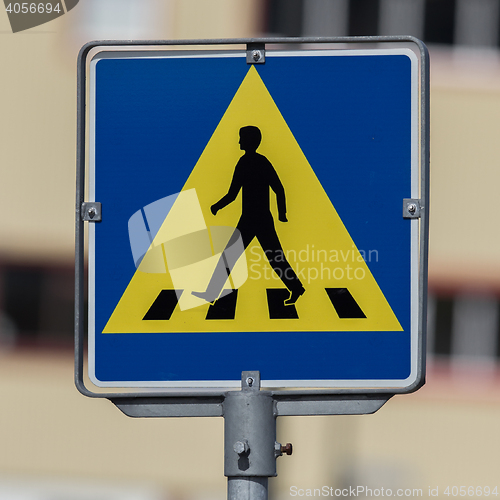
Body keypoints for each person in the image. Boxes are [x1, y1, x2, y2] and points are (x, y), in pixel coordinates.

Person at [192, 126, 305, 305]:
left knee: (270, 258)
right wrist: (280, 213)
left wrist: (216, 206)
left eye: (241, 138)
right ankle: (296, 288)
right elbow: (276, 189)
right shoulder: (259, 161)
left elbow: (234, 194)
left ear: (249, 141)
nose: (239, 141)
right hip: (254, 218)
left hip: (255, 219)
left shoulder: (247, 162)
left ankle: (297, 288)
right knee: (264, 257)